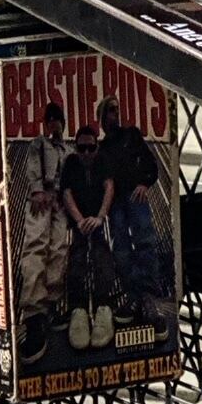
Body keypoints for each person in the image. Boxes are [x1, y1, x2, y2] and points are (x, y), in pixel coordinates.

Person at [95, 92, 170, 319]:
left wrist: (145, 183)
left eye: (117, 109)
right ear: (102, 116)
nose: (116, 114)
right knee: (121, 247)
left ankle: (147, 293)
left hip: (134, 196)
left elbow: (150, 163)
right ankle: (133, 294)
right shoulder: (101, 148)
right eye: (111, 110)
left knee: (144, 239)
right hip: (116, 201)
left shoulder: (131, 134)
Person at [14, 100, 69, 362]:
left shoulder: (67, 150)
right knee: (37, 244)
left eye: (58, 121)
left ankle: (52, 302)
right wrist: (37, 189)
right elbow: (34, 164)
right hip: (42, 198)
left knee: (59, 247)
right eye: (51, 120)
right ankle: (34, 310)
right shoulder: (39, 143)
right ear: (47, 123)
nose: (55, 125)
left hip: (60, 200)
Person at [59, 124, 119, 350]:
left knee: (102, 254)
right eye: (81, 148)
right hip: (80, 219)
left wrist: (100, 217)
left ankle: (104, 306)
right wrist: (79, 220)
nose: (86, 153)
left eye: (90, 148)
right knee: (77, 255)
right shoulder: (71, 163)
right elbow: (66, 193)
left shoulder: (102, 161)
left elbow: (109, 187)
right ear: (76, 148)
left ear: (96, 147)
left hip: (97, 217)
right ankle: (79, 309)